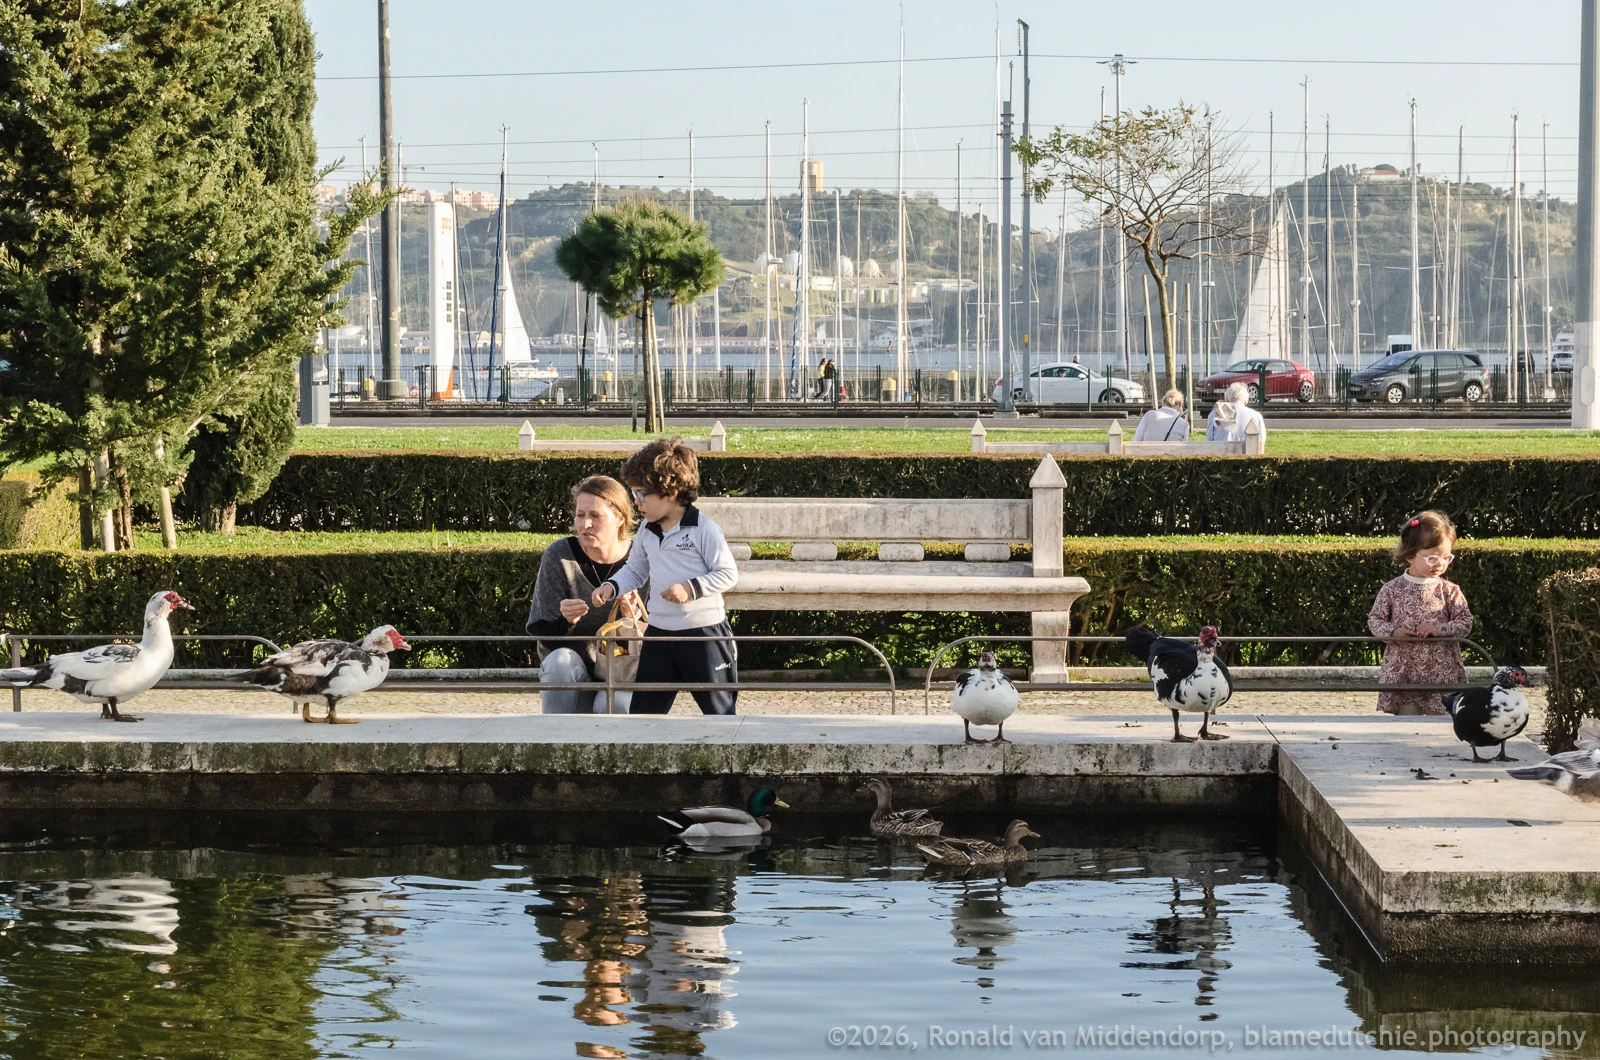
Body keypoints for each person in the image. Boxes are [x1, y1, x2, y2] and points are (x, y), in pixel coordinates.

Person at [592, 438, 740, 715]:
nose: (636, 502)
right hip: (658, 635)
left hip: (704, 636)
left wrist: (690, 588)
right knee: (645, 717)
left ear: (670, 492)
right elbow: (635, 570)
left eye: (642, 494)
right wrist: (611, 587)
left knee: (720, 716)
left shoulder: (704, 529)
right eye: (634, 493)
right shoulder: (647, 530)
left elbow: (728, 574)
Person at [527, 475, 641, 714]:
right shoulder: (560, 555)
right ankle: (556, 735)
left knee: (619, 701)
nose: (585, 524)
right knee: (559, 662)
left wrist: (633, 617)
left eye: (596, 516)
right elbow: (542, 633)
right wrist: (565, 622)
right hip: (572, 674)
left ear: (620, 518)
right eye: (580, 515)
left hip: (620, 675)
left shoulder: (640, 560)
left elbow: (658, 637)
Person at [1367, 511, 1474, 716]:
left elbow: (1465, 622)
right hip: (1404, 672)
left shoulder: (1449, 591)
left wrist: (1441, 629)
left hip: (1441, 674)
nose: (1440, 564)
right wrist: (1393, 632)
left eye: (1446, 557)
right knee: (1407, 725)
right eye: (1432, 557)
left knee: (1440, 726)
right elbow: (1375, 620)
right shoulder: (1392, 589)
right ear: (1410, 555)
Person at [1205, 381, 1267, 447]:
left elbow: (1209, 443)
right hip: (1247, 453)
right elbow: (1260, 446)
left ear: (1227, 399)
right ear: (1246, 401)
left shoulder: (1215, 414)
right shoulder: (1256, 416)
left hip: (1221, 452)